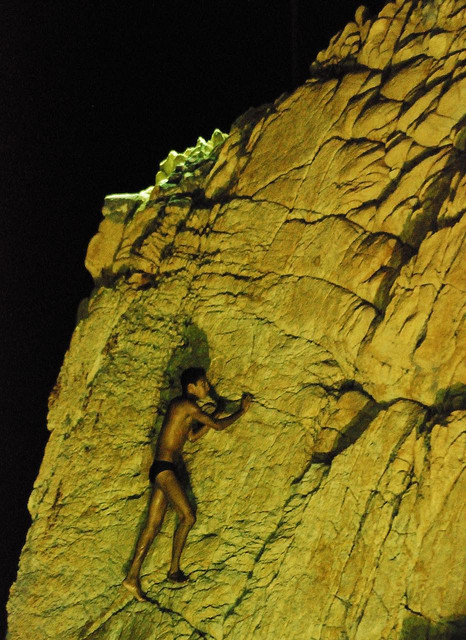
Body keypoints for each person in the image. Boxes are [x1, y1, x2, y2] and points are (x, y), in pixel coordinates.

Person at [123, 366, 252, 601]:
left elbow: (191, 437)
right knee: (188, 517)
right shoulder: (187, 405)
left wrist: (218, 411)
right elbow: (219, 426)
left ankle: (132, 578)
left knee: (153, 526)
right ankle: (173, 570)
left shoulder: (183, 407)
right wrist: (240, 412)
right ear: (190, 387)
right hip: (165, 469)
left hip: (162, 468)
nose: (208, 387)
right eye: (203, 384)